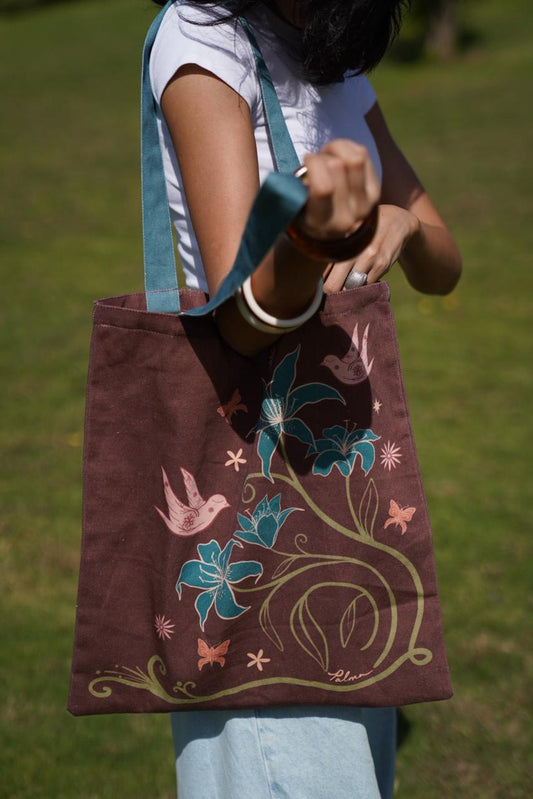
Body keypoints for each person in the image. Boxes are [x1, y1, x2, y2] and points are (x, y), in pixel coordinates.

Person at [148, 1, 462, 796]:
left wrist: (397, 222)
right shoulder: (203, 39)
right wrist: (310, 238)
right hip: (252, 503)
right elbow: (241, 323)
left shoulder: (334, 54)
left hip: (340, 487)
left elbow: (443, 263)